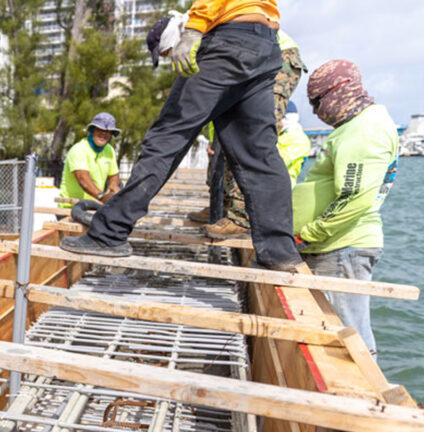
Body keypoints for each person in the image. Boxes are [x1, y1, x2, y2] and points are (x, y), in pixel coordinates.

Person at [61, 0, 303, 271]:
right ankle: (279, 252)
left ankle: (108, 234)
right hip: (265, 47)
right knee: (259, 154)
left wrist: (194, 29)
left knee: (164, 140)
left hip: (227, 39)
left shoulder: (195, 32)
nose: (171, 61)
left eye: (168, 53)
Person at [293, 60, 398, 356]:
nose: (315, 111)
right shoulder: (355, 126)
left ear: (338, 92)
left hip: (341, 248)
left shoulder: (364, 131)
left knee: (348, 338)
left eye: (317, 101)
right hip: (335, 246)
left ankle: (367, 400)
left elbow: (354, 197)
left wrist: (311, 233)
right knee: (337, 334)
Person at [201, 29, 309, 238]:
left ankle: (241, 217)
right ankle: (223, 210)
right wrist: (216, 138)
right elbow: (219, 104)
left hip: (276, 58)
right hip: (250, 60)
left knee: (252, 136)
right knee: (231, 134)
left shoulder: (199, 37)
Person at [58, 112, 121, 208]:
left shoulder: (109, 150)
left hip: (93, 206)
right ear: (92, 130)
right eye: (100, 129)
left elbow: (114, 176)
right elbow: (83, 180)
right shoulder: (79, 149)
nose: (104, 133)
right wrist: (102, 196)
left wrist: (113, 187)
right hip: (70, 207)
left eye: (108, 131)